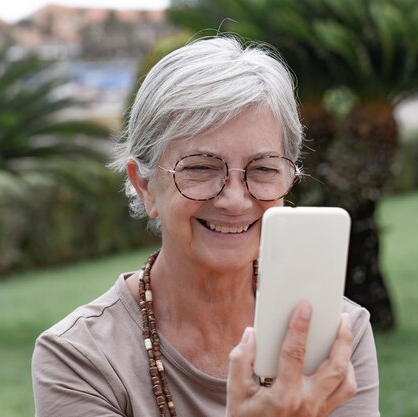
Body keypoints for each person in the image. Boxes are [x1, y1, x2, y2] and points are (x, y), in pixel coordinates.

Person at [32, 36, 380, 417]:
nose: (234, 200)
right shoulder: (80, 357)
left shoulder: (337, 336)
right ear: (144, 184)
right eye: (200, 167)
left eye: (263, 169)